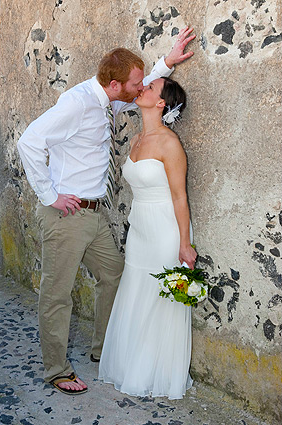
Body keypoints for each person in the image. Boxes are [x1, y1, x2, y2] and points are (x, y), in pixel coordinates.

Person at [16, 28, 196, 395]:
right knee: (57, 293)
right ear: (116, 86)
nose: (141, 86)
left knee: (113, 275)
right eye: (136, 83)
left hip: (94, 215)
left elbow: (147, 91)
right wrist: (49, 195)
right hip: (67, 214)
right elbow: (29, 142)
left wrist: (168, 61)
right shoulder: (78, 102)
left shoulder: (108, 98)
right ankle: (57, 370)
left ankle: (104, 349)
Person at [98, 77, 197, 400]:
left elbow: (180, 197)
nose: (142, 89)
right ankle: (130, 366)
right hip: (139, 226)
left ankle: (154, 373)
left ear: (161, 104)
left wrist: (185, 244)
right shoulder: (138, 138)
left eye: (150, 88)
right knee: (136, 291)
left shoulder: (170, 144)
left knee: (160, 299)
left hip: (165, 227)